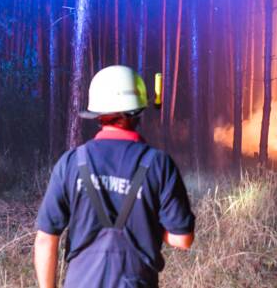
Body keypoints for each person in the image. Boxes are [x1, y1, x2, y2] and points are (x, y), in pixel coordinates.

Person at [34, 65, 195, 288]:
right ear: (138, 111)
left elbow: (45, 239)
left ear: (98, 114)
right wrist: (147, 223)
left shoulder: (72, 162)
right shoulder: (159, 164)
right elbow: (183, 239)